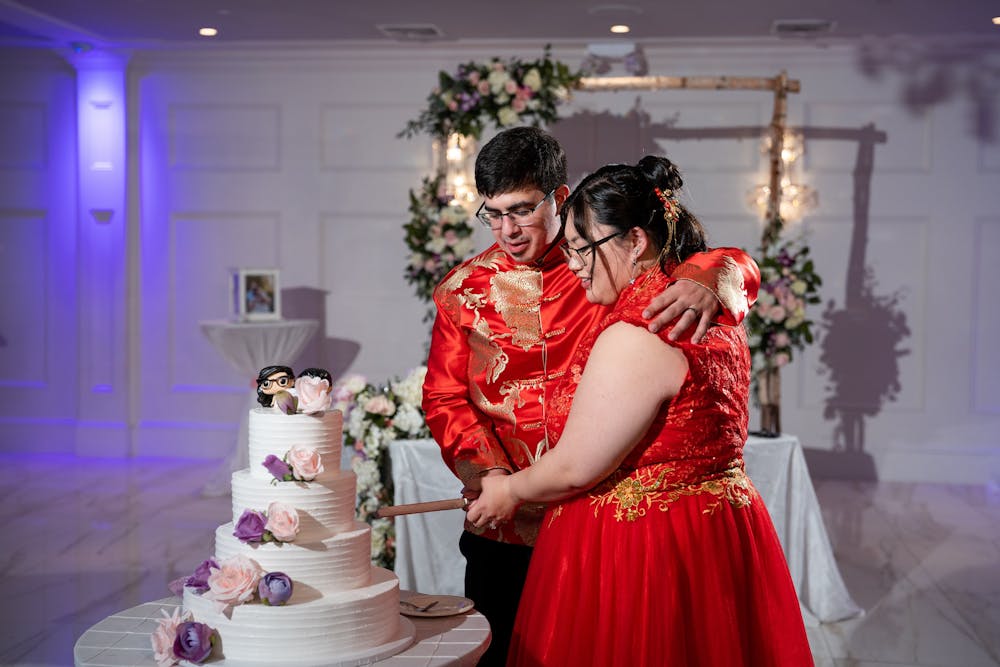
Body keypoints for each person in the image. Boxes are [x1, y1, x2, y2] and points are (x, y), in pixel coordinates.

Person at [422, 126, 761, 666]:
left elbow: (702, 248)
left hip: (600, 520)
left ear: (559, 198)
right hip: (507, 524)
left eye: (521, 210)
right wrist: (487, 474)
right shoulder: (463, 290)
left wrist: (714, 274)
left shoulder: (602, 264)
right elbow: (444, 397)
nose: (506, 230)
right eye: (492, 214)